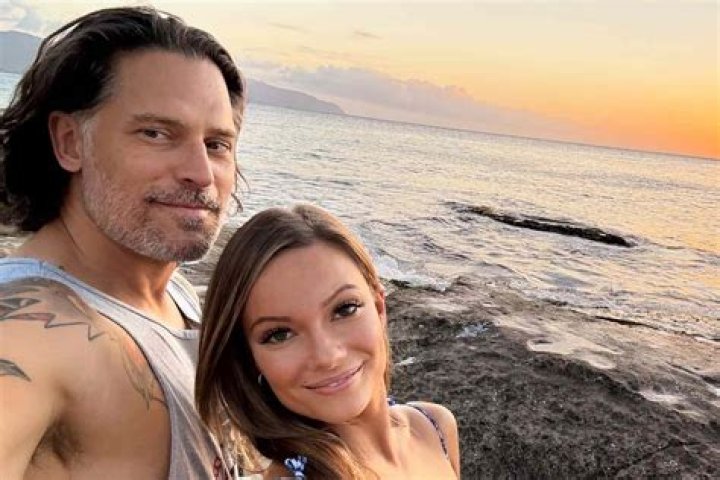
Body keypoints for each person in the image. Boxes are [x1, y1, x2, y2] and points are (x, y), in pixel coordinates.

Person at [0, 7, 244, 479]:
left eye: (217, 144)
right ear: (70, 142)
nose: (200, 173)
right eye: (156, 133)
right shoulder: (32, 332)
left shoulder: (171, 293)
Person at [196, 204, 460, 479]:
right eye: (280, 334)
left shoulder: (435, 427)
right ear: (250, 359)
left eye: (345, 309)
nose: (327, 356)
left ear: (379, 307)